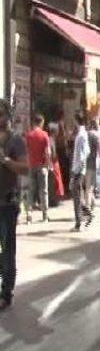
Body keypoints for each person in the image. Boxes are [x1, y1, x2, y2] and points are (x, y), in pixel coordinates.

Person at [0, 100, 29, 311]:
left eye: (1, 114)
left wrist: (5, 160)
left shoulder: (16, 141)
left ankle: (6, 292)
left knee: (7, 249)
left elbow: (25, 168)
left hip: (8, 204)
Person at [25, 114, 50, 222]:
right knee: (43, 190)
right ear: (41, 122)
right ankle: (45, 215)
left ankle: (29, 214)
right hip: (42, 166)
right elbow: (48, 152)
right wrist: (47, 165)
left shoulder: (28, 135)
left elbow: (26, 151)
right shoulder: (44, 135)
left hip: (31, 165)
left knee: (31, 190)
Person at [70, 114, 90, 232]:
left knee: (77, 197)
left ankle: (79, 222)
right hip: (79, 168)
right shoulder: (82, 134)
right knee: (78, 196)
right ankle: (82, 219)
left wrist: (76, 170)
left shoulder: (81, 136)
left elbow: (83, 154)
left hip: (78, 169)